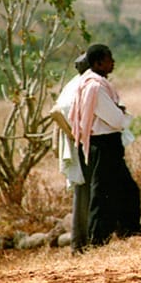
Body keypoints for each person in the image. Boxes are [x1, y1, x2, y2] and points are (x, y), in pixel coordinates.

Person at [67, 44, 141, 246]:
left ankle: (130, 232)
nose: (113, 62)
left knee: (126, 190)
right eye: (109, 59)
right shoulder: (95, 87)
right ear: (98, 63)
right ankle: (97, 240)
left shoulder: (95, 84)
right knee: (102, 195)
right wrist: (121, 113)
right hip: (103, 144)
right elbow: (116, 119)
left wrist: (119, 112)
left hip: (107, 144)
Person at [51, 53, 90, 253]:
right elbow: (57, 112)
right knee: (83, 192)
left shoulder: (74, 83)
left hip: (77, 142)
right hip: (81, 144)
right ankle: (79, 243)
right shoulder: (82, 85)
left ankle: (82, 241)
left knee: (83, 191)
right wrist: (75, 135)